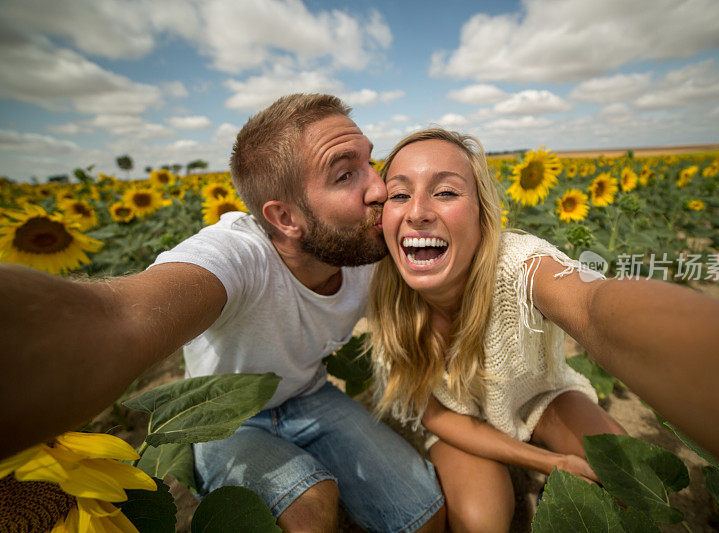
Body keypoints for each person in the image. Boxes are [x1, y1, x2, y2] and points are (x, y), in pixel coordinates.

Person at [0, 94, 445, 533]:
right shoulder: (238, 255)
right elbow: (118, 320)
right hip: (225, 420)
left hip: (311, 396)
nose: (381, 189)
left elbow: (472, 266)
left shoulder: (367, 249)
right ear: (284, 217)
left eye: (372, 162)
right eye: (346, 174)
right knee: (309, 508)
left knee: (425, 513)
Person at [367, 128, 719, 525]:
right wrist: (546, 463)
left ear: (484, 213)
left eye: (444, 191)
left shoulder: (516, 264)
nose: (418, 212)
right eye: (399, 195)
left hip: (539, 399)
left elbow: (594, 308)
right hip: (459, 422)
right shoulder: (385, 292)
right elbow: (437, 414)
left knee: (636, 477)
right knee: (482, 523)